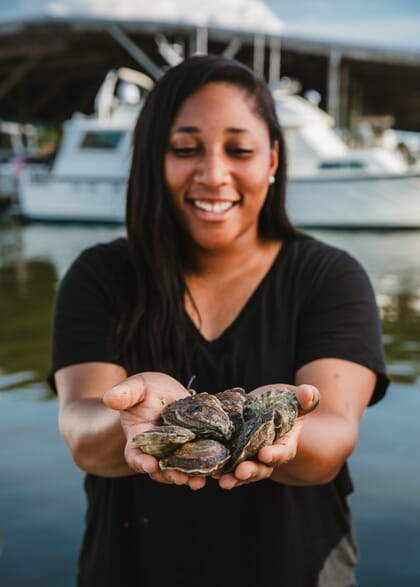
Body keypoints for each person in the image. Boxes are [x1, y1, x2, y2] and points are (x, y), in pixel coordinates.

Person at [50, 54, 388, 587]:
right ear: (152, 159)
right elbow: (79, 430)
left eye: (240, 149)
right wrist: (128, 423)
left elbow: (334, 436)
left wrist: (288, 432)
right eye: (185, 148)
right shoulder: (101, 276)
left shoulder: (330, 278)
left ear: (273, 159)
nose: (213, 174)